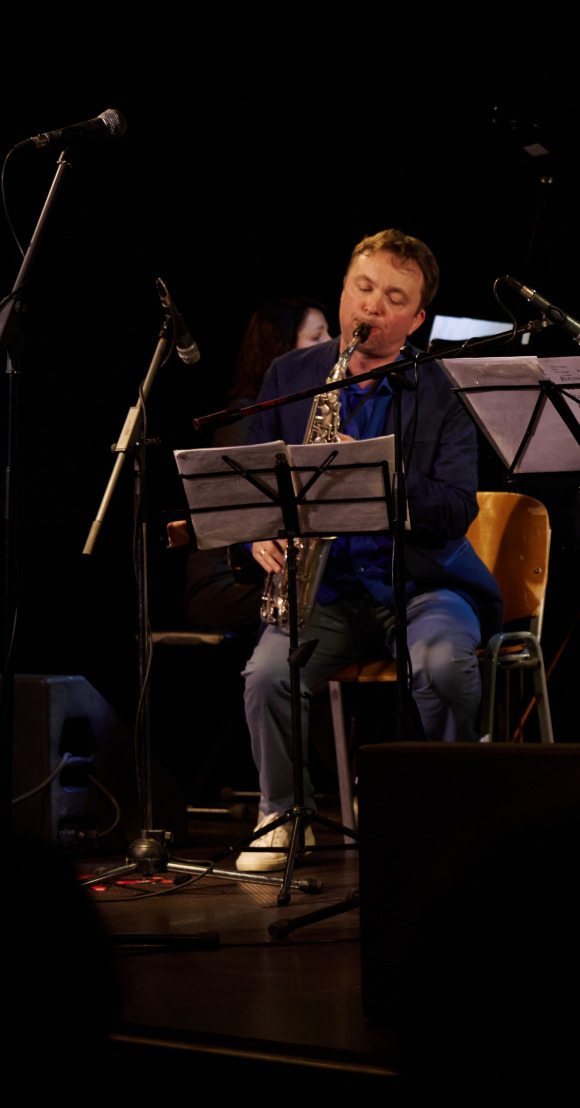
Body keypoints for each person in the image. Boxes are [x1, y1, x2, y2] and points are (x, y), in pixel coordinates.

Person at [239, 230, 501, 870]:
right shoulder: (291, 374)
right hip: (324, 588)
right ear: (343, 288)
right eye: (363, 288)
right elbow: (251, 481)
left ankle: (457, 808)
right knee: (265, 676)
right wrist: (258, 531)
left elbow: (455, 507)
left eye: (393, 298)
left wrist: (374, 481)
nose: (372, 307)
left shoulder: (442, 387)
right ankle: (281, 812)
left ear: (416, 319)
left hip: (422, 581)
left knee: (442, 665)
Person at [184, 297, 333, 633]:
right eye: (317, 337)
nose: (329, 345)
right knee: (325, 608)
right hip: (228, 582)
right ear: (283, 349)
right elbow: (240, 517)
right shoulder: (246, 418)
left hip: (265, 575)